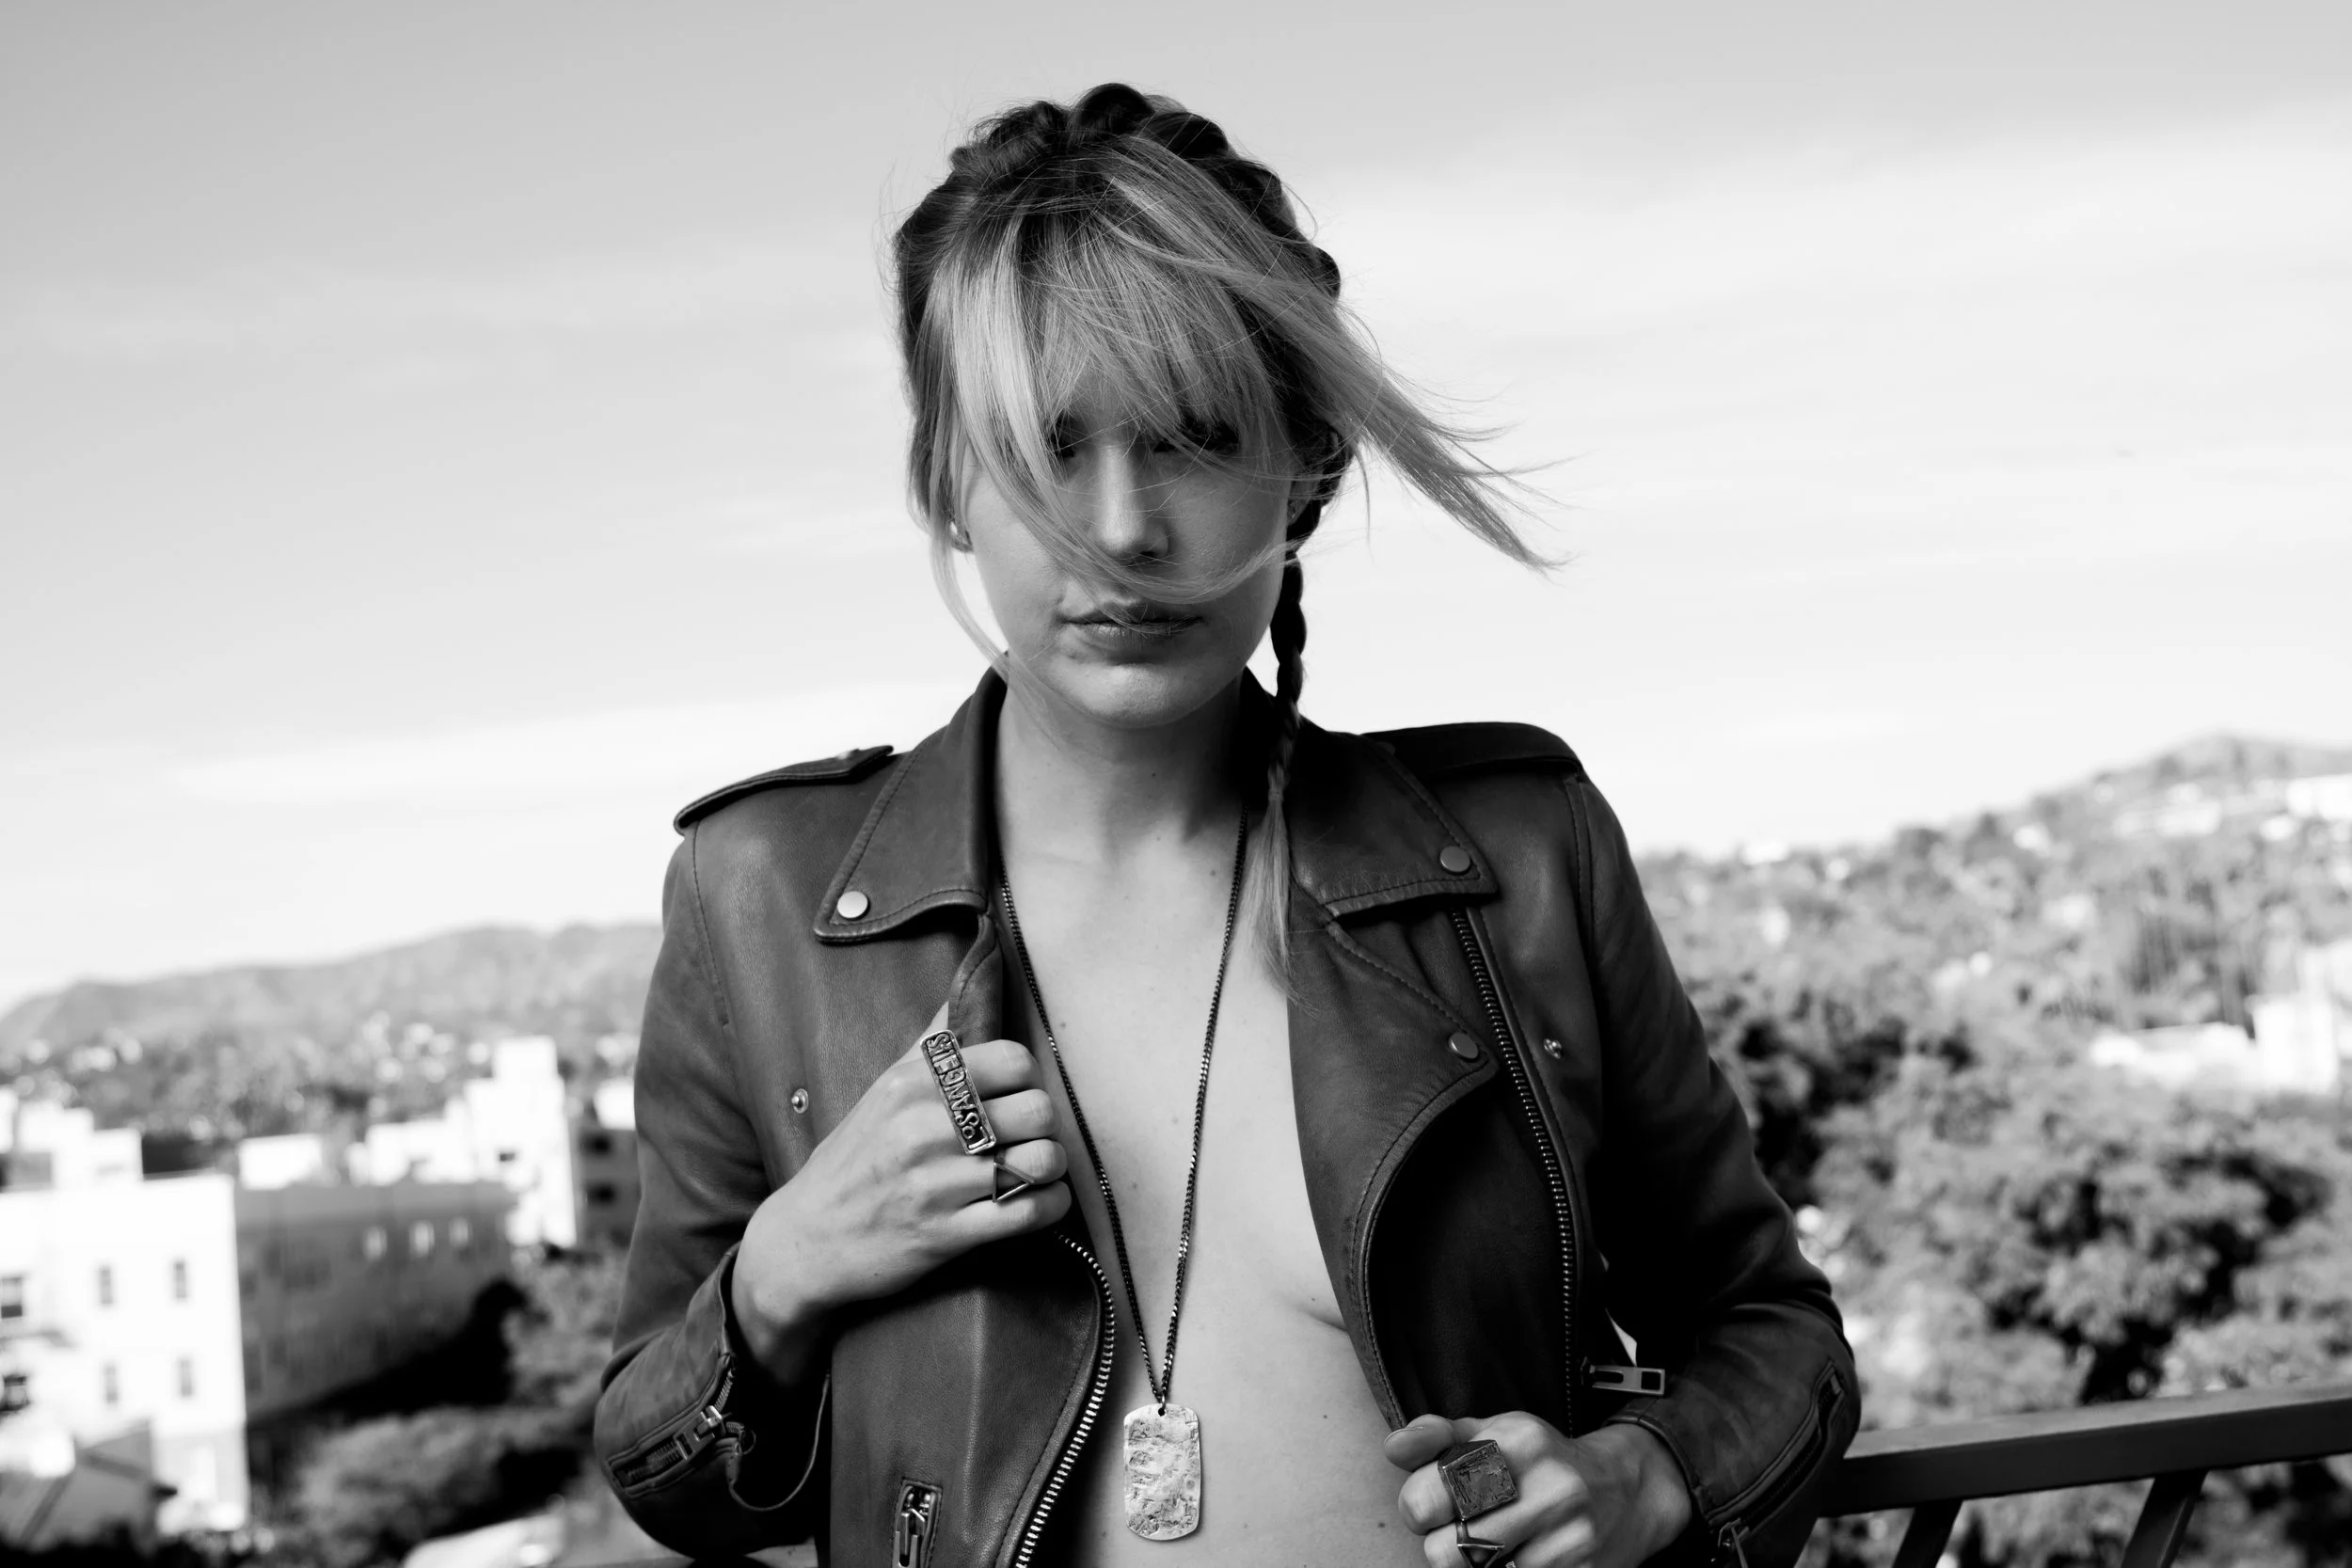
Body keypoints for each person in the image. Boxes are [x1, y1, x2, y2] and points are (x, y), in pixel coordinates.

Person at [593, 84, 1855, 1568]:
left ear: (1305, 471)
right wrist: (780, 1276)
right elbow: (660, 1465)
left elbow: (1774, 1331)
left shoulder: (1522, 858)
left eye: (1192, 437)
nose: (1122, 528)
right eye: (1047, 446)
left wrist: (1645, 1476)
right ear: (947, 480)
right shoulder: (760, 897)